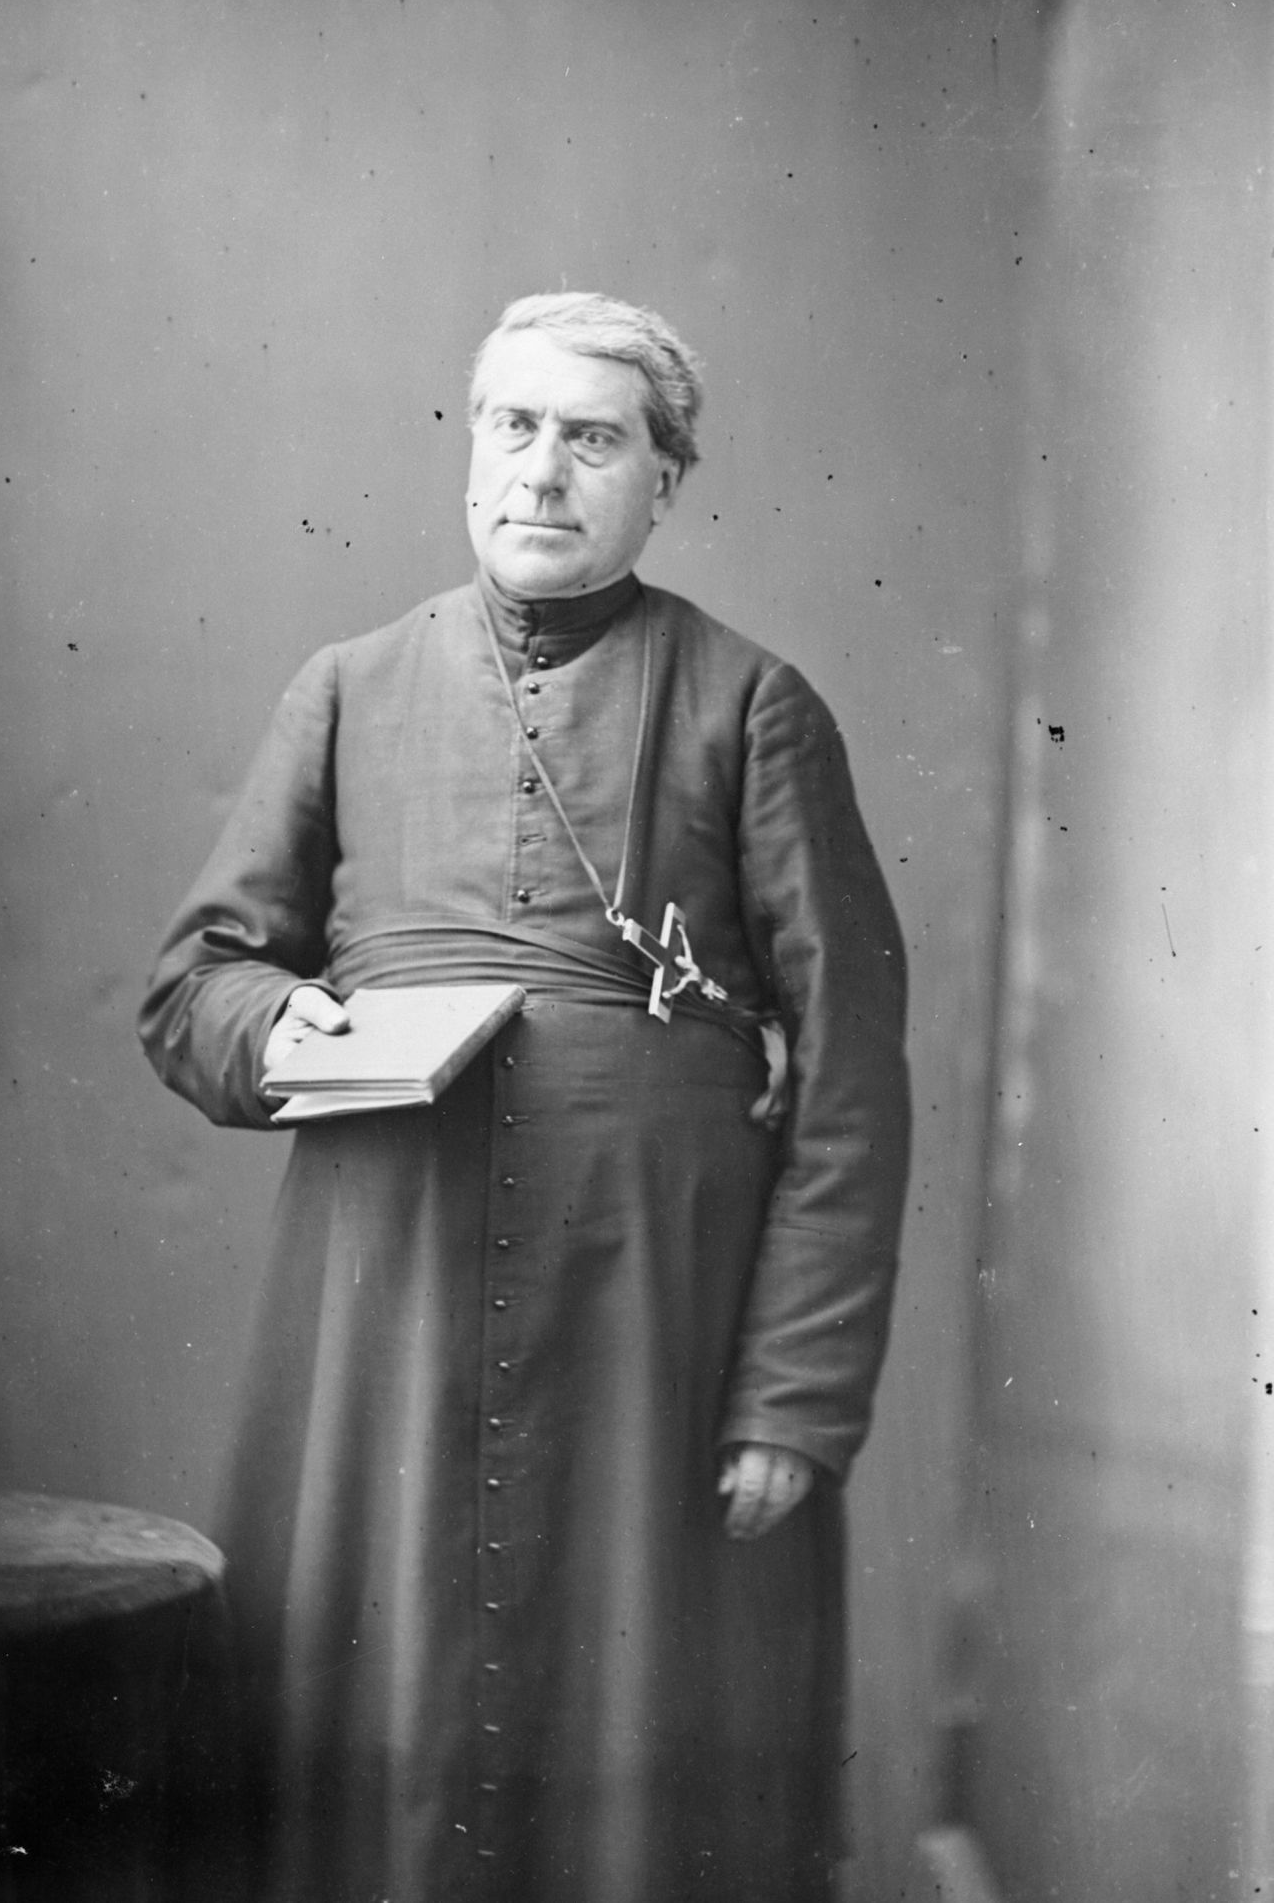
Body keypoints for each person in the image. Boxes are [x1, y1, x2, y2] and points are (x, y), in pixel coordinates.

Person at [139, 291, 910, 1903]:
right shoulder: (347, 687)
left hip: (658, 1318)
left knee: (644, 1750)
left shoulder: (753, 703)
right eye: (512, 426)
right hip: (392, 1296)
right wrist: (293, 1026)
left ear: (661, 481)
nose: (543, 471)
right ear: (468, 450)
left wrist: (796, 1393)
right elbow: (191, 986)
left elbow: (848, 1075)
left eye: (592, 437)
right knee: (381, 1728)